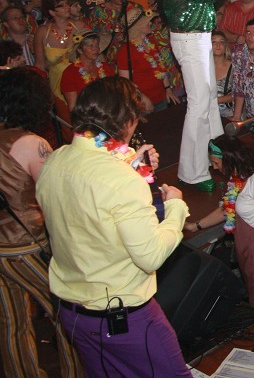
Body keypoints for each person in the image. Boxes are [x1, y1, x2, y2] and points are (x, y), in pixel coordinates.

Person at [36, 77, 190, 377]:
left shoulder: (54, 161)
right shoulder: (121, 180)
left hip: (73, 314)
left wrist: (134, 166)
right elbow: (151, 255)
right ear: (128, 120)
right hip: (123, 318)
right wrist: (176, 208)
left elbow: (90, 211)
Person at [0, 68, 81, 378]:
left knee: (12, 324)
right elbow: (56, 196)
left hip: (2, 248)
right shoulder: (32, 143)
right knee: (68, 313)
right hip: (27, 245)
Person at [162, 0, 248, 191]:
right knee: (198, 107)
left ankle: (216, 145)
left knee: (208, 96)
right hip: (191, 41)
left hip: (197, 38)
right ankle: (193, 173)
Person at [185, 136, 254, 318]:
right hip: (250, 249)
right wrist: (195, 226)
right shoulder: (237, 178)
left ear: (229, 159)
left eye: (215, 162)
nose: (214, 167)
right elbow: (226, 209)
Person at [117, 6, 178, 113]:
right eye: (147, 22)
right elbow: (126, 83)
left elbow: (161, 67)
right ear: (138, 26)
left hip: (161, 97)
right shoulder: (125, 51)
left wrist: (168, 88)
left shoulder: (151, 41)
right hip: (143, 103)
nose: (150, 23)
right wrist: (142, 99)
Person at [60, 29, 114, 110]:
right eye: (90, 46)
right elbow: (73, 108)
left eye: (97, 45)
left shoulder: (106, 68)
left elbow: (115, 96)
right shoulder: (70, 73)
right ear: (79, 50)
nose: (96, 49)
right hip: (86, 117)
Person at [212, 30, 234, 119]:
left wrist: (216, 101)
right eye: (214, 42)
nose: (218, 45)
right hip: (206, 112)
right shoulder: (202, 67)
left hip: (227, 114)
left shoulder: (233, 67)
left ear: (226, 46)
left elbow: (239, 94)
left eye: (221, 42)